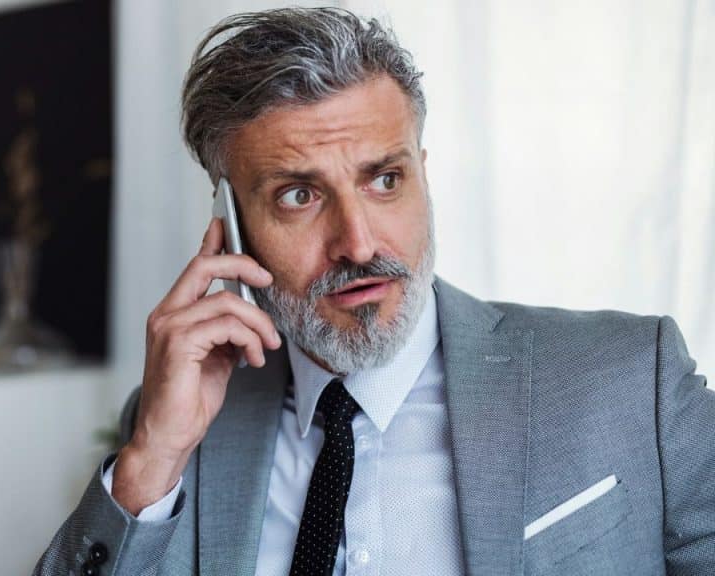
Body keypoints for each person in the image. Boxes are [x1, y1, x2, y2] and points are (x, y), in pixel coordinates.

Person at [35, 7, 714, 576]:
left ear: (423, 173)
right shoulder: (176, 429)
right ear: (231, 226)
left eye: (384, 180)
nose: (358, 244)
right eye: (299, 196)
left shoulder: (632, 380)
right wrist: (151, 456)